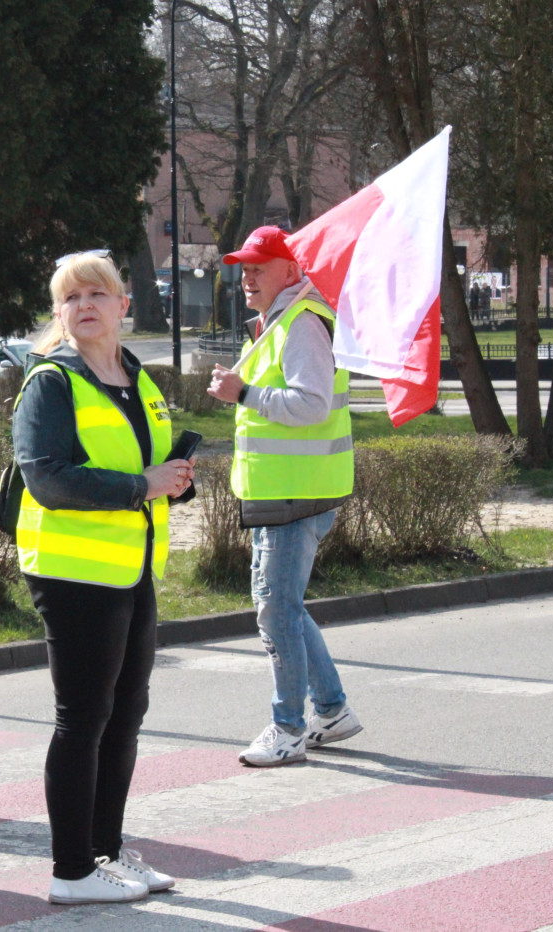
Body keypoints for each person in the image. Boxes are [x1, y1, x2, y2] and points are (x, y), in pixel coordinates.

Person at [12, 250, 194, 905]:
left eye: (97, 293)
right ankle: (71, 873)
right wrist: (138, 485)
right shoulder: (51, 382)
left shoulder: (134, 377)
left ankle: (107, 853)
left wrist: (169, 480)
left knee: (124, 717)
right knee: (83, 719)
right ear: (59, 314)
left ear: (124, 305)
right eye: (70, 297)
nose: (84, 305)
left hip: (131, 567)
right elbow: (47, 477)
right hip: (72, 571)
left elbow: (139, 469)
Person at [206, 225, 362, 768]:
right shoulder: (283, 320)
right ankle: (332, 709)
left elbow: (311, 404)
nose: (246, 276)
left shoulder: (302, 323)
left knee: (276, 612)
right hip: (288, 492)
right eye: (244, 267)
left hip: (298, 495)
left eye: (258, 266)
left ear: (291, 270)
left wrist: (243, 392)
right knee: (285, 609)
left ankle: (289, 727)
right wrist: (241, 387)